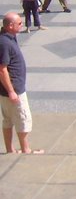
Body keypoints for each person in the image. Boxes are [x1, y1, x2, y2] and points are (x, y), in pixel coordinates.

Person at [0, 13, 42, 154]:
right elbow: (2, 69)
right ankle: (26, 149)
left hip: (7, 91)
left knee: (8, 120)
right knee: (22, 118)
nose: (22, 24)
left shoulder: (8, 39)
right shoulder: (5, 43)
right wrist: (11, 91)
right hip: (13, 90)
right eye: (19, 23)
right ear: (10, 26)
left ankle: (10, 149)